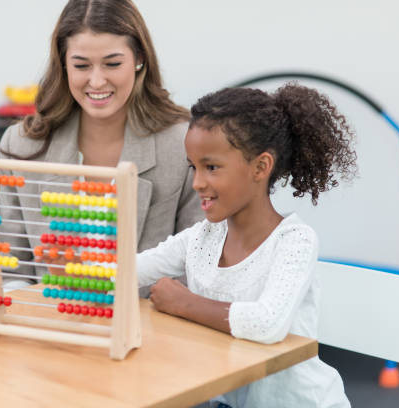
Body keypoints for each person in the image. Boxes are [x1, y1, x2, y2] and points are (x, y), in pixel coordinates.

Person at [137, 84, 357, 407]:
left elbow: (266, 323)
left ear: (261, 167)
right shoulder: (201, 239)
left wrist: (183, 303)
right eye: (193, 167)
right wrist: (71, 263)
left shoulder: (294, 241)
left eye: (211, 167)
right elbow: (130, 269)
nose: (197, 182)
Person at [0, 0, 203, 285]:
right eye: (81, 65)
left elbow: (198, 271)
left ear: (139, 58)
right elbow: (10, 274)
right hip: (51, 322)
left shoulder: (181, 145)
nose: (96, 81)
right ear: (64, 64)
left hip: (152, 325)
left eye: (113, 64)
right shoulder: (21, 147)